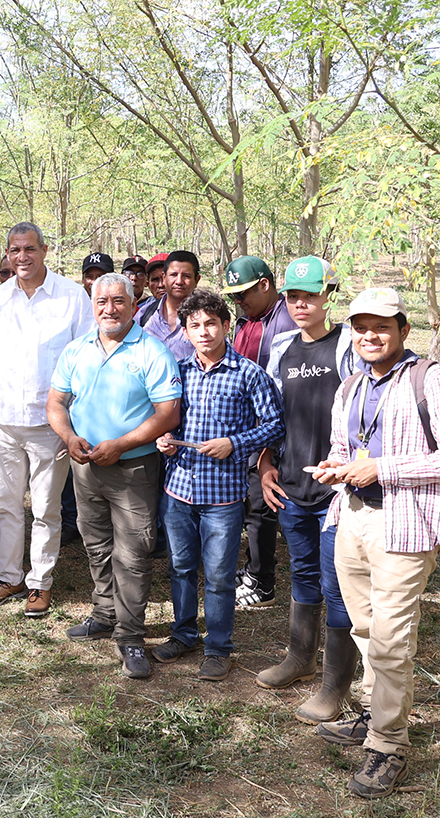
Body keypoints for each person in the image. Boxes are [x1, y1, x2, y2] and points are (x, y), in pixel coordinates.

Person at [310, 287, 440, 799]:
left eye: (382, 326)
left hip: (404, 525)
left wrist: (382, 468)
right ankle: (376, 714)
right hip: (353, 517)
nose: (370, 335)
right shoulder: (350, 387)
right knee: (364, 627)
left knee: (390, 637)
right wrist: (335, 466)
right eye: (361, 327)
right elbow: (344, 448)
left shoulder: (428, 379)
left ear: (404, 330)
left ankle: (389, 745)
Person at [47, 274, 181, 679]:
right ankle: (104, 614)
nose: (110, 309)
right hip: (86, 466)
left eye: (119, 301)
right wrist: (68, 436)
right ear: (92, 306)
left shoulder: (152, 352)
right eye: (102, 301)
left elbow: (168, 414)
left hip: (133, 469)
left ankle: (131, 636)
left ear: (134, 304)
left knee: (133, 554)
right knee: (96, 545)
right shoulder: (76, 350)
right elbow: (56, 401)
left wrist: (121, 444)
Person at [153, 289, 283, 682]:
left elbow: (275, 424)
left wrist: (234, 443)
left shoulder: (249, 374)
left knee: (220, 575)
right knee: (180, 567)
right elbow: (166, 418)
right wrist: (165, 441)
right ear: (186, 332)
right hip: (178, 488)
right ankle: (183, 634)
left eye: (211, 323)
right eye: (195, 325)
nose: (204, 332)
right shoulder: (178, 371)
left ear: (226, 325)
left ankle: (219, 647)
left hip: (223, 495)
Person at [255, 257, 357, 721]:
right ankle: (300, 658)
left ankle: (334, 687)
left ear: (328, 296)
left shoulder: (348, 346)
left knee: (338, 586)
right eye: (293, 297)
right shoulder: (281, 348)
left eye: (310, 296)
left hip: (336, 492)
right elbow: (273, 414)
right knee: (303, 574)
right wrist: (265, 463)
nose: (301, 304)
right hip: (292, 485)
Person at [0, 222, 93, 617]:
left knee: (45, 508)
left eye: (29, 249)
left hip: (50, 425)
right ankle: (8, 577)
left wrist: (72, 422)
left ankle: (40, 583)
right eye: (15, 250)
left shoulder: (72, 297)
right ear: (8, 255)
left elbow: (85, 359)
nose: (21, 256)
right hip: (4, 420)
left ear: (44, 250)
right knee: (5, 504)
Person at [222, 255, 299, 610]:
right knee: (250, 503)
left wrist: (271, 443)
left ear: (265, 285)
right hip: (246, 429)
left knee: (261, 505)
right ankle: (253, 568)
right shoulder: (247, 320)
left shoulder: (286, 321)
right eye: (233, 297)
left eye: (243, 294)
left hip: (272, 430)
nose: (239, 301)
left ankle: (263, 582)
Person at [141, 250, 199, 360]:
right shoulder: (145, 314)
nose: (179, 281)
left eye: (186, 276)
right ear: (164, 277)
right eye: (173, 275)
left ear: (197, 280)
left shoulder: (206, 316)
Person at [140, 253, 169, 321]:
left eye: (166, 278)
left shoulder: (191, 310)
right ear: (148, 284)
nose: (161, 285)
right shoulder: (142, 313)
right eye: (155, 280)